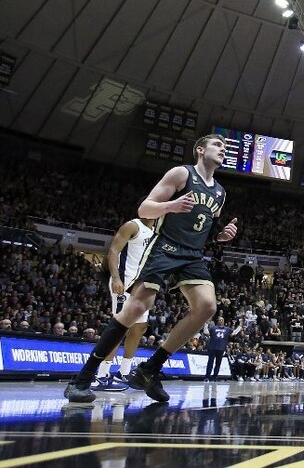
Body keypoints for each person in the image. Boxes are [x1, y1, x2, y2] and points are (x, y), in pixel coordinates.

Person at [64, 134, 238, 403]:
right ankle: (84, 376)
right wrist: (171, 205)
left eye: (225, 147)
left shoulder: (220, 192)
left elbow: (206, 227)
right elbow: (145, 208)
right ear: (200, 150)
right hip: (164, 247)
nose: (223, 150)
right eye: (218, 145)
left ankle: (149, 369)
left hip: (192, 255)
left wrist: (220, 236)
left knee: (207, 307)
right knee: (136, 308)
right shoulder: (182, 173)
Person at [92, 216, 156, 391]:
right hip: (124, 283)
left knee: (140, 327)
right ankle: (102, 376)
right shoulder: (132, 226)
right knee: (119, 329)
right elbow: (113, 251)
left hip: (141, 286)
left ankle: (124, 372)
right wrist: (115, 277)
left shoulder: (155, 231)